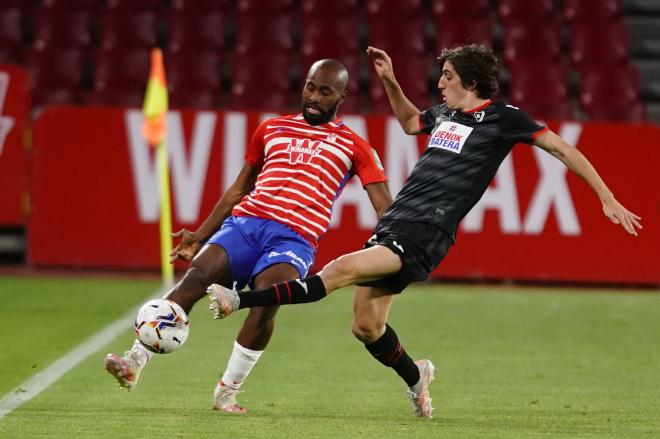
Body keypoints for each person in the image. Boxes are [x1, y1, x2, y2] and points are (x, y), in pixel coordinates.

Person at [206, 45, 643, 419]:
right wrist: (391, 81)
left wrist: (606, 196)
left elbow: (563, 149)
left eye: (447, 77)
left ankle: (237, 299)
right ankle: (418, 379)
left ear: (470, 81)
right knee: (365, 327)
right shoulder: (447, 114)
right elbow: (412, 123)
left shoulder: (505, 119)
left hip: (427, 229)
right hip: (398, 220)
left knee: (338, 271)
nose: (440, 84)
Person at [103, 59, 392, 414]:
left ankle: (227, 392)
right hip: (246, 224)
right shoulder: (272, 129)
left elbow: (383, 205)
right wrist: (199, 234)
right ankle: (135, 361)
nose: (314, 97)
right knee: (195, 276)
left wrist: (389, 249)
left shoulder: (355, 146)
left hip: (295, 239)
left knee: (266, 301)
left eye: (325, 91)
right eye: (310, 87)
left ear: (342, 96)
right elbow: (240, 187)